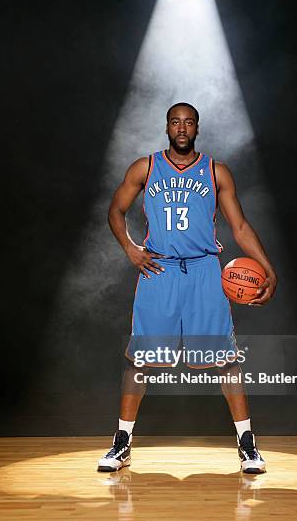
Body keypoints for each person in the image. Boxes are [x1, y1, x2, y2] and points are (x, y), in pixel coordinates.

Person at [98, 102, 277, 474]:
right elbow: (115, 210)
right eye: (175, 122)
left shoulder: (216, 171)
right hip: (159, 271)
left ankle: (247, 443)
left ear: (197, 128)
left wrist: (267, 267)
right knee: (140, 360)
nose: (182, 128)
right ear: (167, 127)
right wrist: (131, 249)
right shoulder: (145, 167)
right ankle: (122, 443)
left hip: (203, 272)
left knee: (226, 361)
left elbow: (240, 227)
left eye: (189, 122)